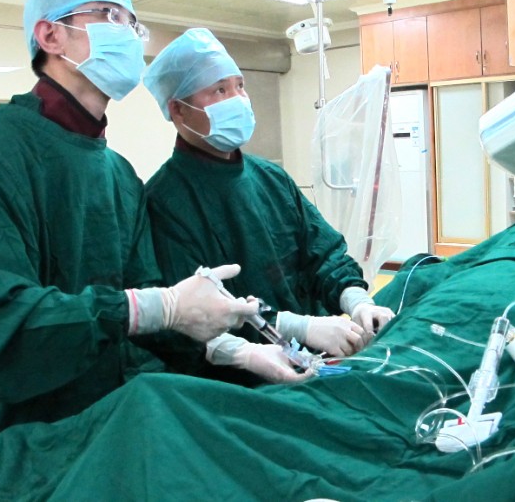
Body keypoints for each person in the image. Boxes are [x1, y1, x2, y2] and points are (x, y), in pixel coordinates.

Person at [0, 0, 258, 470]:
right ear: (50, 35)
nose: (130, 34)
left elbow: (147, 306)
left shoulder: (118, 175)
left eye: (133, 23)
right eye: (109, 15)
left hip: (98, 417)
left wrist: (233, 349)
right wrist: (150, 308)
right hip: (2, 436)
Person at [142, 28, 395, 385]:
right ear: (178, 110)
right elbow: (190, 320)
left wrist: (357, 301)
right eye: (219, 90)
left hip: (312, 364)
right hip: (236, 383)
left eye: (239, 86)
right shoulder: (164, 202)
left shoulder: (271, 178)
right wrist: (299, 327)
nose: (238, 99)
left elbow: (323, 254)